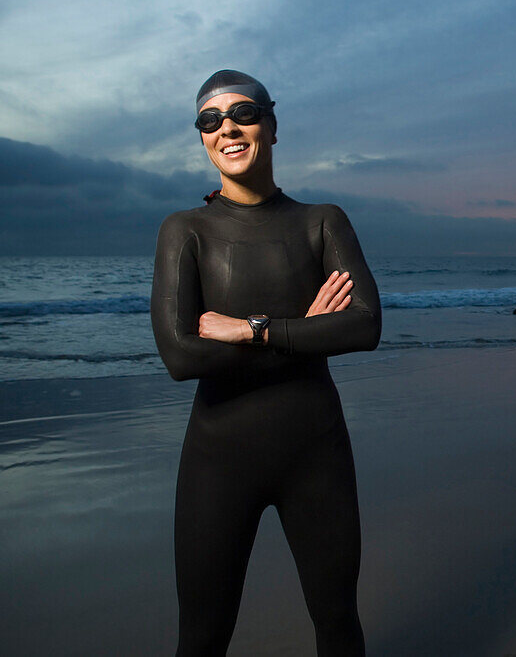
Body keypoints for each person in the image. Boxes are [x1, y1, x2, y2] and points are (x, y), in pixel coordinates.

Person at [150, 69, 380, 656]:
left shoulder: (322, 221)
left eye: (243, 113)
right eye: (210, 120)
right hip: (216, 463)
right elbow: (180, 355)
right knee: (201, 639)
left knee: (338, 626)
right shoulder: (186, 230)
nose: (227, 127)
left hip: (316, 454)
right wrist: (304, 332)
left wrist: (248, 330)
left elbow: (364, 325)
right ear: (202, 137)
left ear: (272, 127)